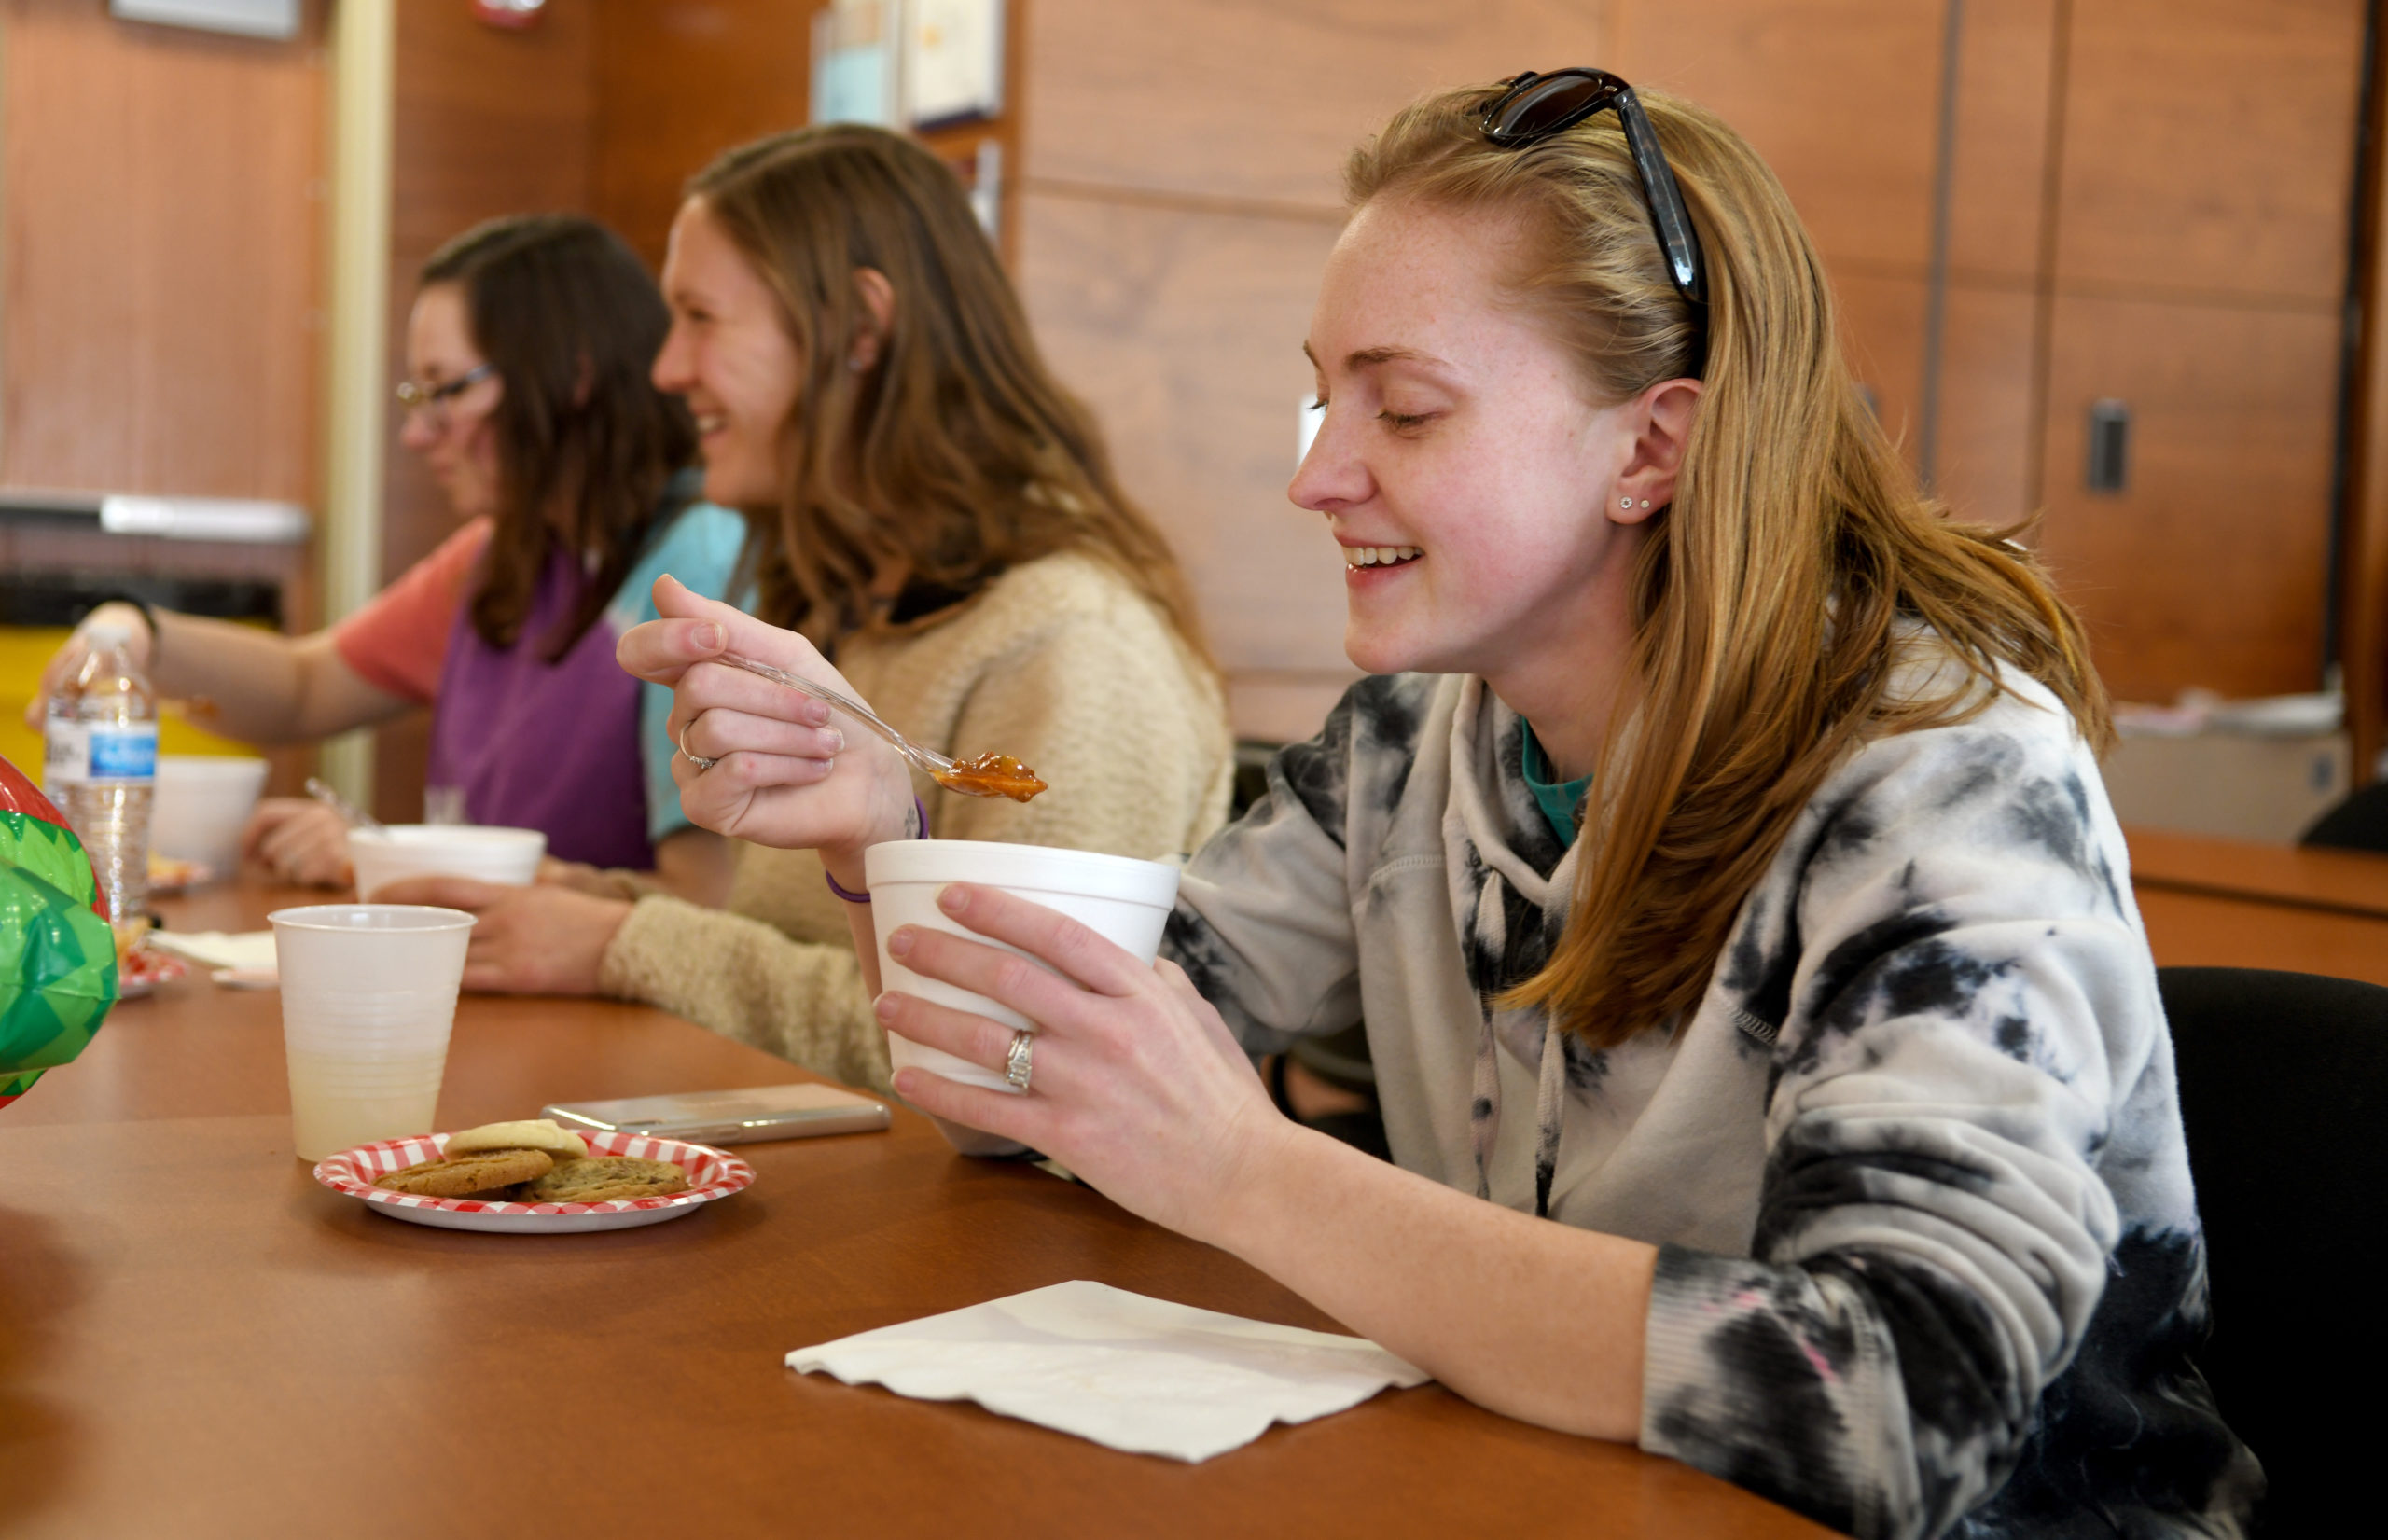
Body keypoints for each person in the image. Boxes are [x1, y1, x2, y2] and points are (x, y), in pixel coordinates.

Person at [625, 76, 2260, 1538]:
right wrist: (882, 837)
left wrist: (1251, 1172)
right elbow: (1032, 1094)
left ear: (1652, 450)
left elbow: (1900, 1410)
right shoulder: (1415, 739)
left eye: (1403, 408)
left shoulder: (1944, 775)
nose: (1318, 471)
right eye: (1322, 397)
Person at [392, 125, 1231, 1057]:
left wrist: (629, 943)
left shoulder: (1073, 649)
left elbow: (1017, 1056)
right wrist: (588, 901)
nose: (667, 370)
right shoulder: (864, 612)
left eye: (701, 317)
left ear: (860, 331)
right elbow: (802, 944)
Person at [30, 215, 745, 901]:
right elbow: (305, 685)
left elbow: (704, 901)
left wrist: (391, 857)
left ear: (573, 378)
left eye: (446, 391)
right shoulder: (502, 556)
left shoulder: (696, 568)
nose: (416, 433)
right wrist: (140, 635)